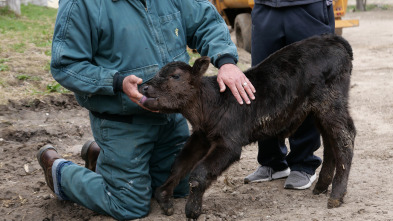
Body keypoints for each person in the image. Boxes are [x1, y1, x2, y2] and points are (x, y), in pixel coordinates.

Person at [36, 0, 255, 220]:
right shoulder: (82, 4)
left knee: (178, 187)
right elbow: (66, 65)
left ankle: (107, 161)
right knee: (129, 205)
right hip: (122, 120)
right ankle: (58, 171)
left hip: (170, 119)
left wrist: (225, 61)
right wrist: (117, 82)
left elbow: (205, 21)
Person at [244, 0, 335, 189]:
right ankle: (272, 161)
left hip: (308, 6)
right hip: (266, 7)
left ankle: (303, 164)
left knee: (307, 86)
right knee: (263, 85)